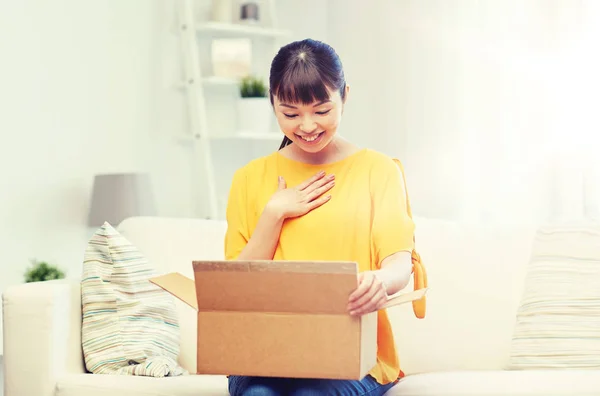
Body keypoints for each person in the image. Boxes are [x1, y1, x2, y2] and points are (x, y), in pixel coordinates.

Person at [225, 38, 416, 396]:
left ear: (345, 95)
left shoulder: (379, 171)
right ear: (273, 104)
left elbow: (399, 266)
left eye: (321, 110)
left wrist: (378, 280)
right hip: (263, 355)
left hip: (352, 356)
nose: (308, 126)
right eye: (291, 114)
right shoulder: (249, 178)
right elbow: (236, 288)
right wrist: (274, 213)